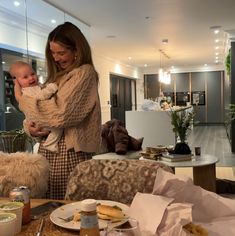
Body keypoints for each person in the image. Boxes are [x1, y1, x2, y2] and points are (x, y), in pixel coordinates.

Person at [14, 22, 102, 199]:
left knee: (68, 208)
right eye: (53, 53)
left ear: (77, 49)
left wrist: (22, 101)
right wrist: (31, 129)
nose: (56, 58)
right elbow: (41, 112)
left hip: (70, 153)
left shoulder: (84, 73)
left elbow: (61, 114)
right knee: (49, 205)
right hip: (48, 149)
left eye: (61, 52)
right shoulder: (57, 77)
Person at [10, 61, 62, 152]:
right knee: (57, 128)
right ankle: (50, 144)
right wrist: (51, 88)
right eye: (25, 77)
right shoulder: (27, 92)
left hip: (40, 120)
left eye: (32, 74)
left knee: (56, 128)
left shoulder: (37, 87)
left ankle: (49, 143)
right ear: (17, 81)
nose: (31, 78)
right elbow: (40, 98)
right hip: (38, 120)